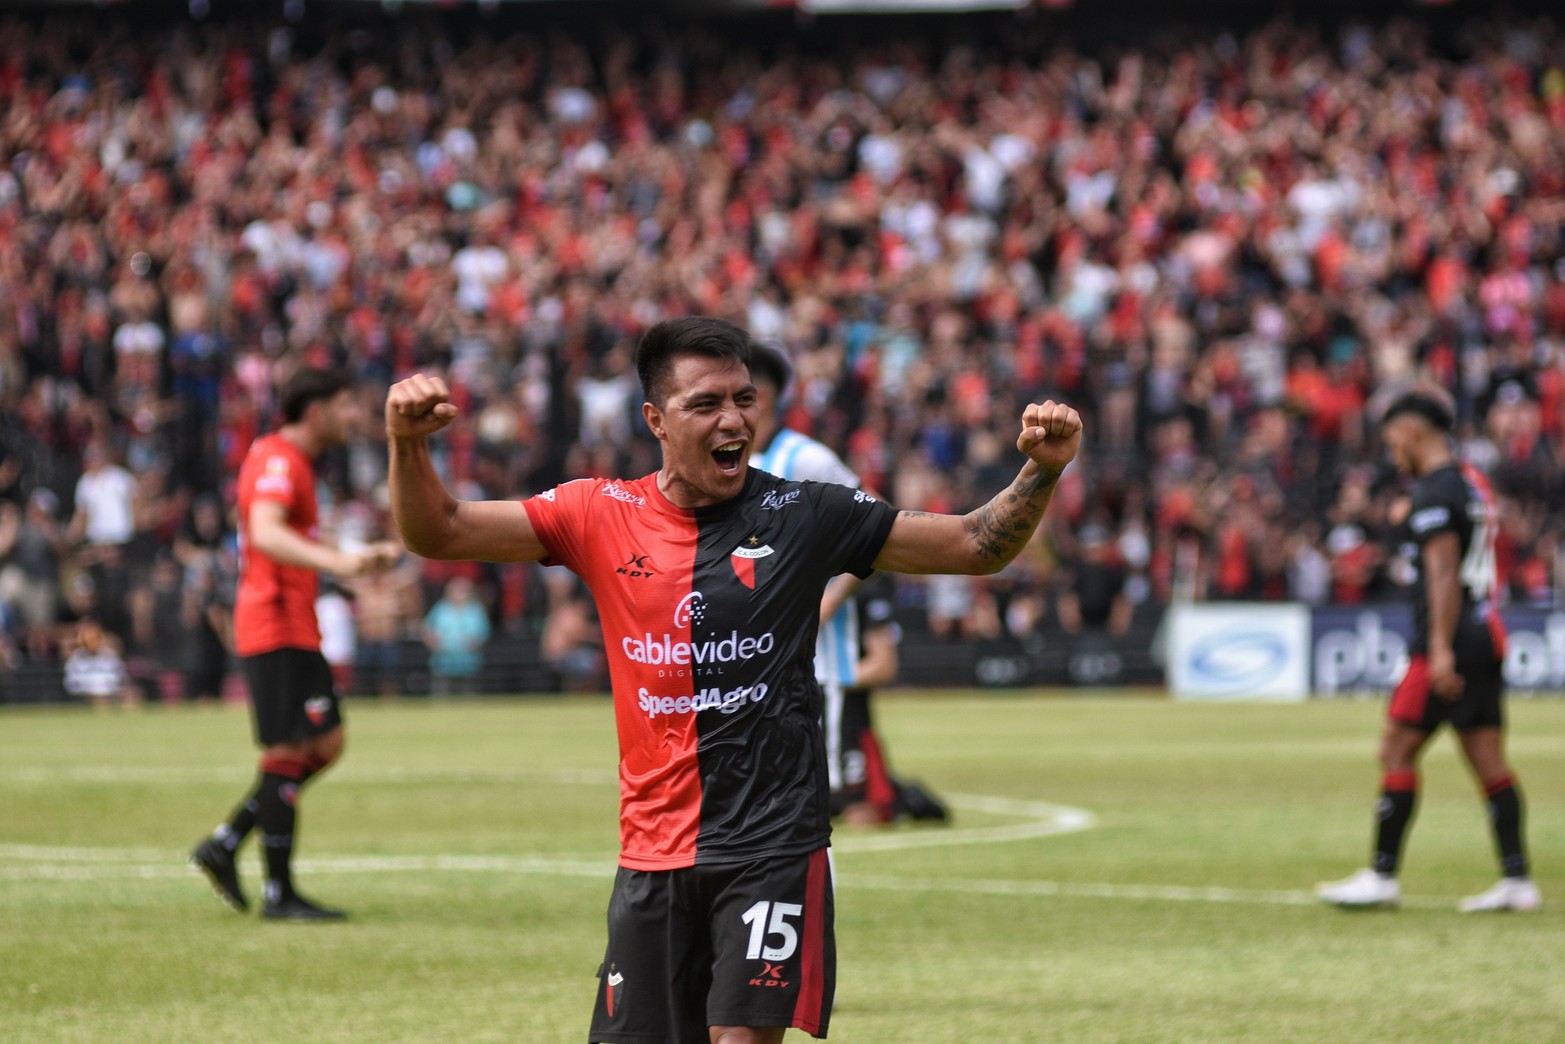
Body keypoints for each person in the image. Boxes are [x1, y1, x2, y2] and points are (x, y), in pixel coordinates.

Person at [385, 316, 1081, 1043]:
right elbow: (438, 531)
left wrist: (1041, 469)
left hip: (771, 846)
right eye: (706, 403)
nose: (733, 420)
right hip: (652, 852)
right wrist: (407, 443)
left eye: (743, 399)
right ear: (655, 419)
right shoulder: (597, 512)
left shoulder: (805, 512)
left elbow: (973, 546)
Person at [189, 367, 401, 922]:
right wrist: (338, 562)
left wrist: (353, 551)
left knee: (324, 743)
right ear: (317, 412)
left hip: (293, 625)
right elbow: (265, 530)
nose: (354, 417)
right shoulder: (280, 459)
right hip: (275, 625)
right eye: (346, 406)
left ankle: (228, 840)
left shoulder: (292, 461)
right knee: (287, 751)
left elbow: (292, 533)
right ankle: (279, 893)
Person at [1317, 390, 1539, 913]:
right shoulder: (1469, 481)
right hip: (1487, 630)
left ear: (1413, 433)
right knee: (1488, 758)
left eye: (1393, 440)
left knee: (1395, 747)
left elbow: (1442, 573)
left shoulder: (1435, 492)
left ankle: (1382, 875)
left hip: (1449, 638)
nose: (1391, 451)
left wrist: (1438, 649)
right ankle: (1518, 880)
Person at [746, 341, 943, 827]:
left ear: (762, 397)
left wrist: (830, 599)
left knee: (830, 802)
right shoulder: (734, 464)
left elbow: (875, 520)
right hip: (762, 648)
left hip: (820, 654)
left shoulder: (804, 458)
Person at [422, 575, 491, 695]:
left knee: (467, 694)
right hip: (442, 662)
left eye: (462, 590)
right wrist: (432, 640)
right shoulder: (441, 608)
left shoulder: (475, 610)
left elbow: (482, 633)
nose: (459, 594)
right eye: (456, 590)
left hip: (467, 663)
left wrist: (473, 643)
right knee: (442, 694)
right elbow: (426, 627)